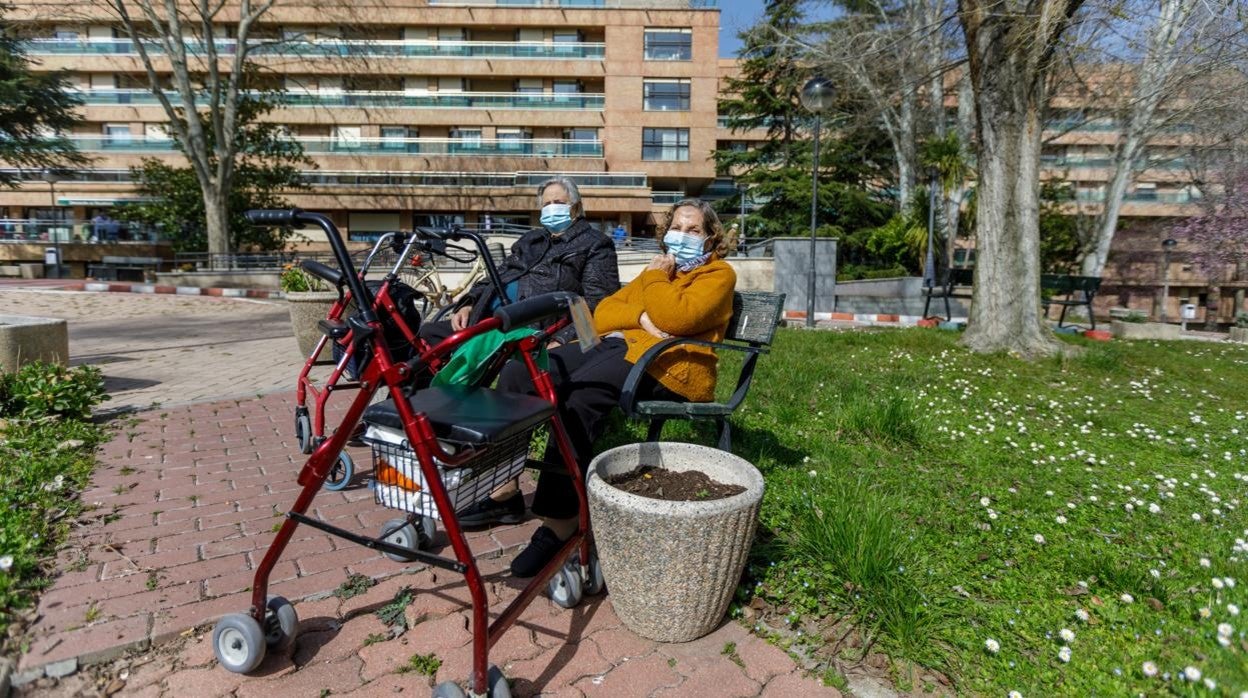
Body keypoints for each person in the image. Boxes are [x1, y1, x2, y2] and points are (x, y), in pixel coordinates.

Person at [497, 198, 737, 577]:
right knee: (523, 372)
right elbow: (603, 313)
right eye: (677, 227)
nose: (683, 236)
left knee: (579, 395)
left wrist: (656, 284)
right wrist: (641, 315)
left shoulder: (717, 275)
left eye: (694, 230)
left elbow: (677, 316)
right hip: (629, 348)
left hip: (672, 369)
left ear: (710, 238)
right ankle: (502, 484)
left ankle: (559, 523)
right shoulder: (658, 272)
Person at [418, 176, 621, 525]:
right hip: (494, 321)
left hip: (539, 329)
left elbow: (597, 303)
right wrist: (468, 303)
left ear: (575, 207)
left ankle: (504, 492)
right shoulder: (530, 240)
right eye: (545, 204)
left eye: (557, 202)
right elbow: (494, 278)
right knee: (426, 336)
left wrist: (565, 337)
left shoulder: (595, 244)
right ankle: (432, 433)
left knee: (513, 369)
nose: (550, 209)